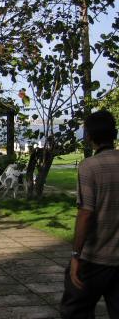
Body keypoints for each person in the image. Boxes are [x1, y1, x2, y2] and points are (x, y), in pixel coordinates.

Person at [60, 110, 119, 319]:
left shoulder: (90, 166)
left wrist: (76, 255)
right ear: (114, 134)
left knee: (75, 309)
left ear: (89, 136)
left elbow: (86, 213)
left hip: (94, 258)